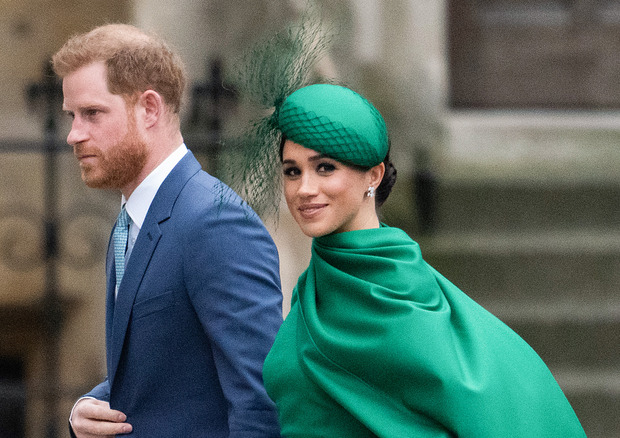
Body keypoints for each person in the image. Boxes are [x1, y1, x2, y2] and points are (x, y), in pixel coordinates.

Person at [254, 83, 587, 437]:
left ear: (374, 175)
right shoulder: (312, 291)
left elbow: (492, 402)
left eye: (324, 167)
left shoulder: (398, 292)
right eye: (292, 171)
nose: (304, 188)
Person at [51, 24, 283, 437]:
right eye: (72, 116)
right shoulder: (132, 219)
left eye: (92, 113)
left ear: (150, 109)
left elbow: (261, 403)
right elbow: (167, 374)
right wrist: (88, 407)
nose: (74, 134)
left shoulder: (215, 222)